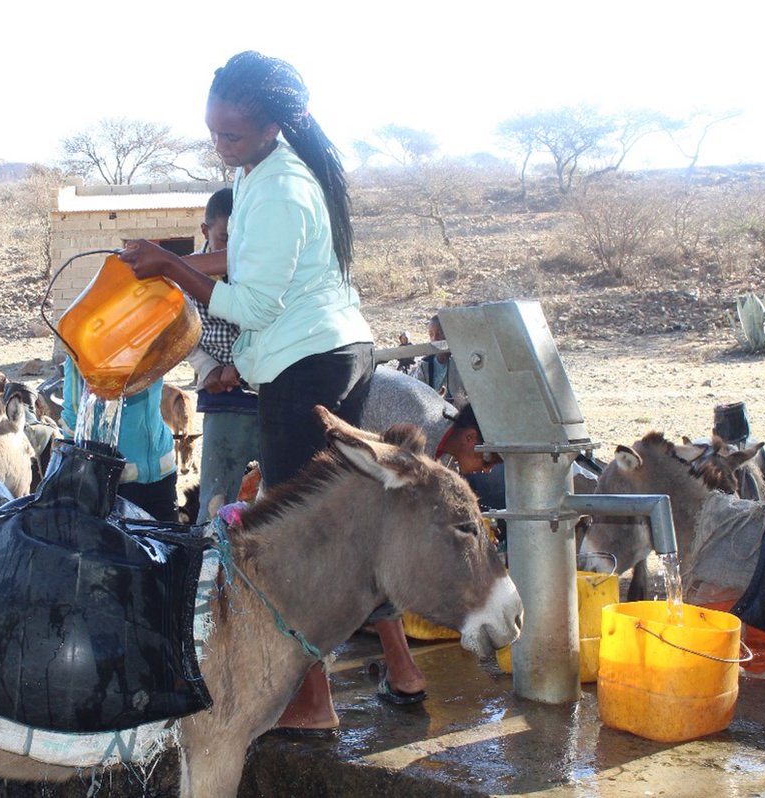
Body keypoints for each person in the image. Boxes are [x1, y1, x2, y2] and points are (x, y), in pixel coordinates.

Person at [121, 50, 375, 735]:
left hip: (309, 364)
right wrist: (162, 267)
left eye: (232, 136)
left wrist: (173, 264)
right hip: (330, 352)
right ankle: (354, 680)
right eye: (213, 132)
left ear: (270, 127)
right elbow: (241, 257)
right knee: (334, 521)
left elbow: (253, 303)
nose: (220, 146)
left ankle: (309, 699)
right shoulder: (269, 171)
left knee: (291, 534)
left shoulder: (281, 184)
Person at [361, 366, 501, 704]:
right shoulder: (417, 432)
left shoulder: (445, 439)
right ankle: (402, 671)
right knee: (379, 553)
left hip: (376, 433)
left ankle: (401, 668)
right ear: (470, 438)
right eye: (491, 456)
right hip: (348, 420)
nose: (490, 467)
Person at [185, 188, 260, 523]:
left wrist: (241, 366)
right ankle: (207, 569)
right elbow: (182, 335)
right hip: (223, 400)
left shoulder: (259, 271)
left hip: (268, 393)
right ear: (205, 231)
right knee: (215, 503)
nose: (231, 252)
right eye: (223, 239)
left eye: (240, 241)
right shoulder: (185, 275)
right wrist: (209, 368)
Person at [60, 357, 179, 524]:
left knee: (158, 545)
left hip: (158, 470)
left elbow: (72, 420)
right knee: (166, 545)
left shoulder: (149, 338)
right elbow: (73, 421)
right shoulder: (82, 349)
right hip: (119, 478)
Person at [406, 314, 467, 405]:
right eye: (431, 334)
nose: (435, 338)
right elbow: (416, 395)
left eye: (439, 334)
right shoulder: (424, 365)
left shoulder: (461, 364)